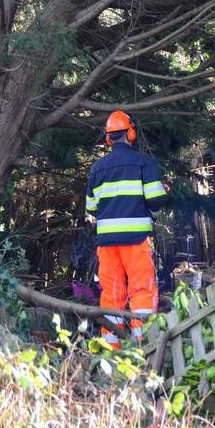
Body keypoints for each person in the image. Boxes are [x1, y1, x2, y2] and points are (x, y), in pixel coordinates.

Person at [85, 110, 167, 346]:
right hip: (136, 239)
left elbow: (92, 207)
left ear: (109, 138)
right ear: (131, 133)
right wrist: (162, 191)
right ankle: (143, 343)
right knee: (141, 288)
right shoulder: (144, 163)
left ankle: (112, 345)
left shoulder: (97, 169)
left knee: (111, 292)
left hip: (107, 243)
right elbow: (156, 201)